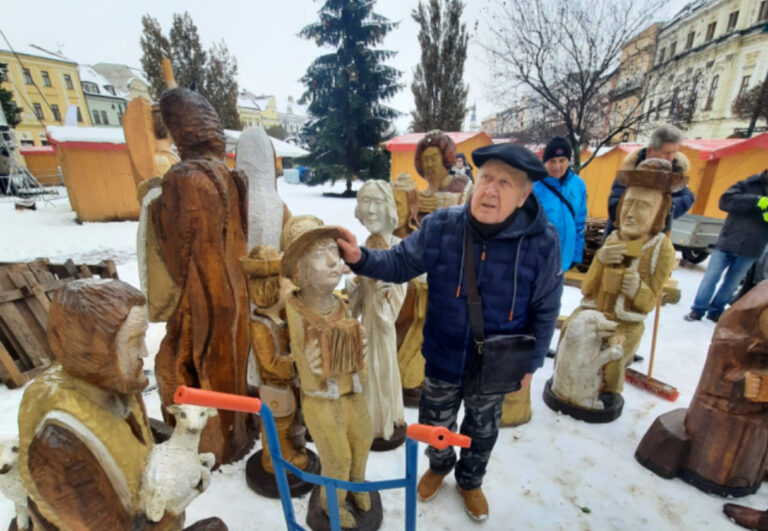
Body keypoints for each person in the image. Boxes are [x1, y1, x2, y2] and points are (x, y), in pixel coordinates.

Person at [337, 143, 562, 522]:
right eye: (487, 177)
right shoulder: (443, 226)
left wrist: (532, 364)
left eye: (505, 183)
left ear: (524, 194)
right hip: (443, 355)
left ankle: (470, 481)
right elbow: (401, 261)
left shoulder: (542, 243)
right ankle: (439, 467)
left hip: (496, 365)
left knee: (482, 431)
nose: (490, 190)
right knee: (433, 424)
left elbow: (546, 308)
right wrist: (361, 258)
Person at [17, 279, 178, 529]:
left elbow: (135, 434)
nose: (145, 352)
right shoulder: (60, 447)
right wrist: (174, 504)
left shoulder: (120, 385)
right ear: (95, 352)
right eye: (135, 341)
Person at [685, 170, 768, 322]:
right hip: (728, 242)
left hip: (752, 247)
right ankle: (697, 310)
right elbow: (724, 201)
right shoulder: (746, 184)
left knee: (731, 284)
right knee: (711, 278)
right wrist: (755, 201)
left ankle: (716, 311)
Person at [605, 124, 694, 237]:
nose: (671, 157)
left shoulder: (675, 176)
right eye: (666, 153)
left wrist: (661, 208)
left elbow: (688, 198)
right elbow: (614, 206)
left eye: (674, 152)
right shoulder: (629, 173)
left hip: (655, 239)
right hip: (622, 237)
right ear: (650, 151)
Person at [534, 137, 587, 272]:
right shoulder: (533, 186)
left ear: (568, 161)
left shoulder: (578, 185)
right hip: (538, 258)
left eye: (562, 161)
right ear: (545, 162)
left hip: (565, 257)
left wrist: (576, 255)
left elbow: (579, 224)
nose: (557, 166)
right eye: (552, 161)